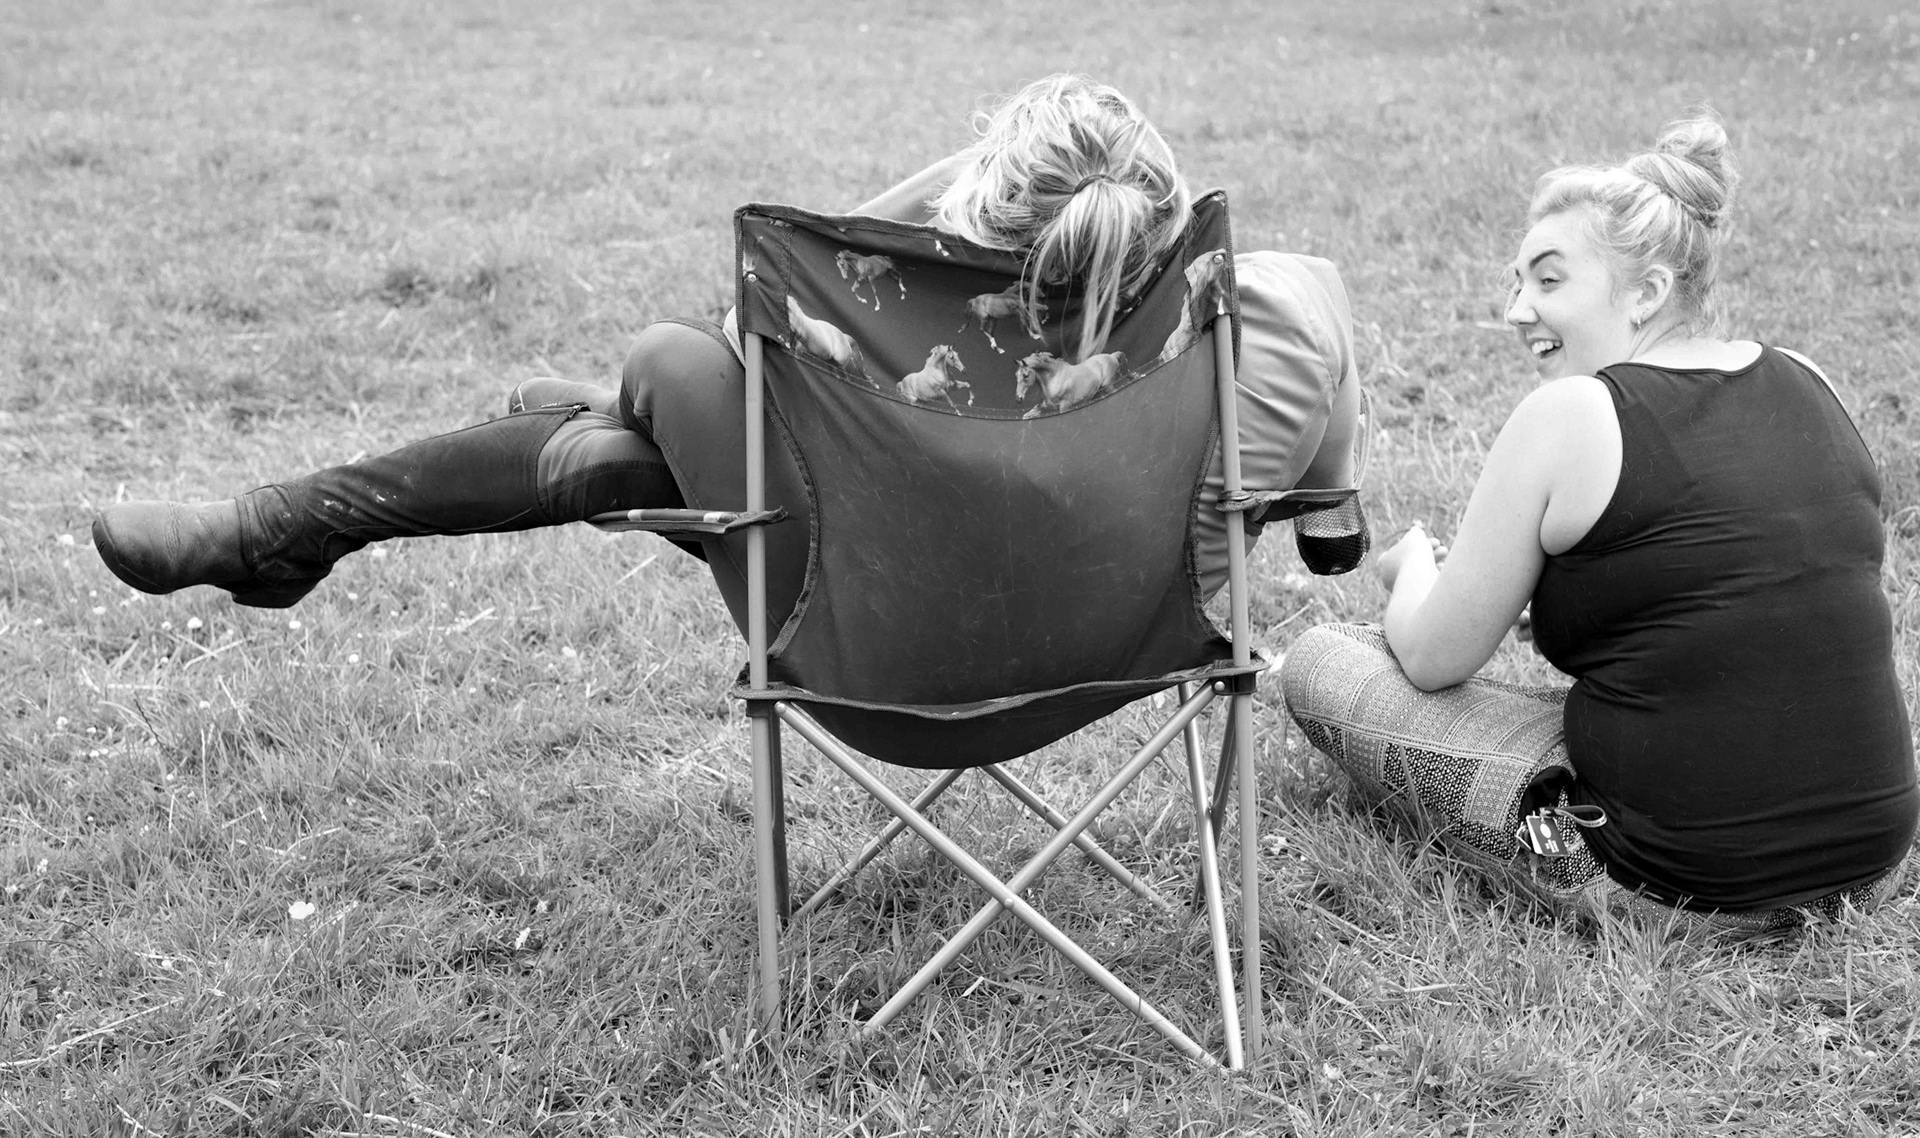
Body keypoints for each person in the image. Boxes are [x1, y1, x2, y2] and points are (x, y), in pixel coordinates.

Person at [93, 73, 1364, 638]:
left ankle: (287, 531)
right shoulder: (1276, 318)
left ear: (985, 217)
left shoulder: (901, 334)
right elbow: (1323, 411)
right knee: (619, 448)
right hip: (1110, 660)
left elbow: (768, 298)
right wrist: (1329, 527)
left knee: (668, 373)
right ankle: (309, 528)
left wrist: (953, 219)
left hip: (865, 650)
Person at [1280, 112, 1917, 933]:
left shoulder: (1571, 413)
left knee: (1328, 661)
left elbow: (1433, 659)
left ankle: (1568, 843)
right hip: (1868, 863)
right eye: (1515, 283)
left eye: (1548, 282)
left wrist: (1410, 572)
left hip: (1670, 886)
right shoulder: (1808, 378)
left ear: (1647, 291)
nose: (1516, 310)